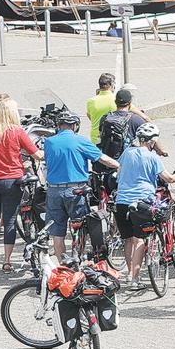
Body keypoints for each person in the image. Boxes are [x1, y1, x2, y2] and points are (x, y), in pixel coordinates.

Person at [114, 123, 175, 289]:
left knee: (128, 239)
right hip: (141, 202)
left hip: (121, 202)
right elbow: (169, 178)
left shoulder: (127, 153)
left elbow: (119, 173)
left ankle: (130, 274)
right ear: (152, 142)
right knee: (139, 239)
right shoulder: (152, 157)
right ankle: (134, 279)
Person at [0, 98, 44, 272]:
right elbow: (37, 154)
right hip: (11, 181)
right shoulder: (17, 131)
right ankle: (7, 261)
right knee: (9, 221)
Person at [43, 111, 118, 258]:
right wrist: (120, 166)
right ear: (75, 126)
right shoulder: (80, 141)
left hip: (54, 191)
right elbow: (102, 158)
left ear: (59, 125)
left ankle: (63, 266)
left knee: (57, 233)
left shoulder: (49, 142)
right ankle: (78, 255)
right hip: (75, 190)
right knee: (81, 225)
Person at [97, 89, 147, 164]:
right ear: (130, 103)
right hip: (126, 161)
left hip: (108, 159)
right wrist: (161, 150)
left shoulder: (105, 118)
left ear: (115, 102)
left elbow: (101, 135)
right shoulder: (135, 119)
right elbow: (149, 134)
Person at [86, 73, 117, 145]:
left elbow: (90, 116)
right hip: (111, 139)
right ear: (111, 85)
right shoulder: (115, 100)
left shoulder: (91, 101)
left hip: (95, 138)